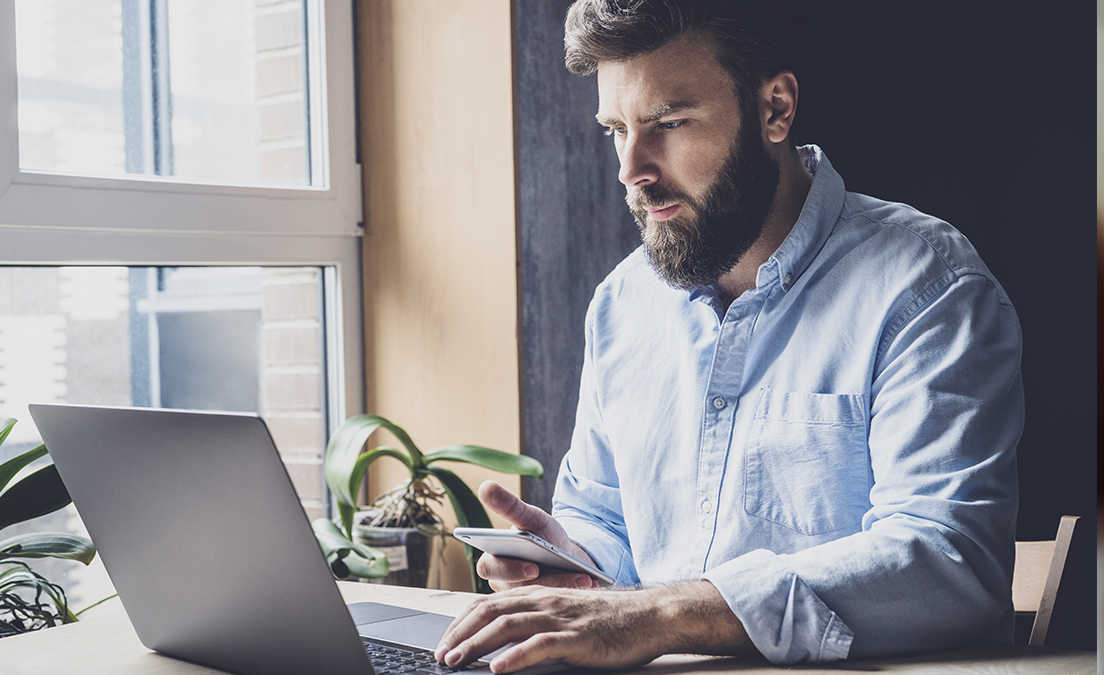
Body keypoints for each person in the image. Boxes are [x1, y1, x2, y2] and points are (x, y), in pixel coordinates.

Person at [435, 1, 1022, 672]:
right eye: (615, 130)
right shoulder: (622, 304)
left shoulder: (927, 286)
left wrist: (657, 613)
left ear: (775, 108)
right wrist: (574, 564)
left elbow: (948, 563)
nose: (632, 168)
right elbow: (606, 521)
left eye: (669, 123)